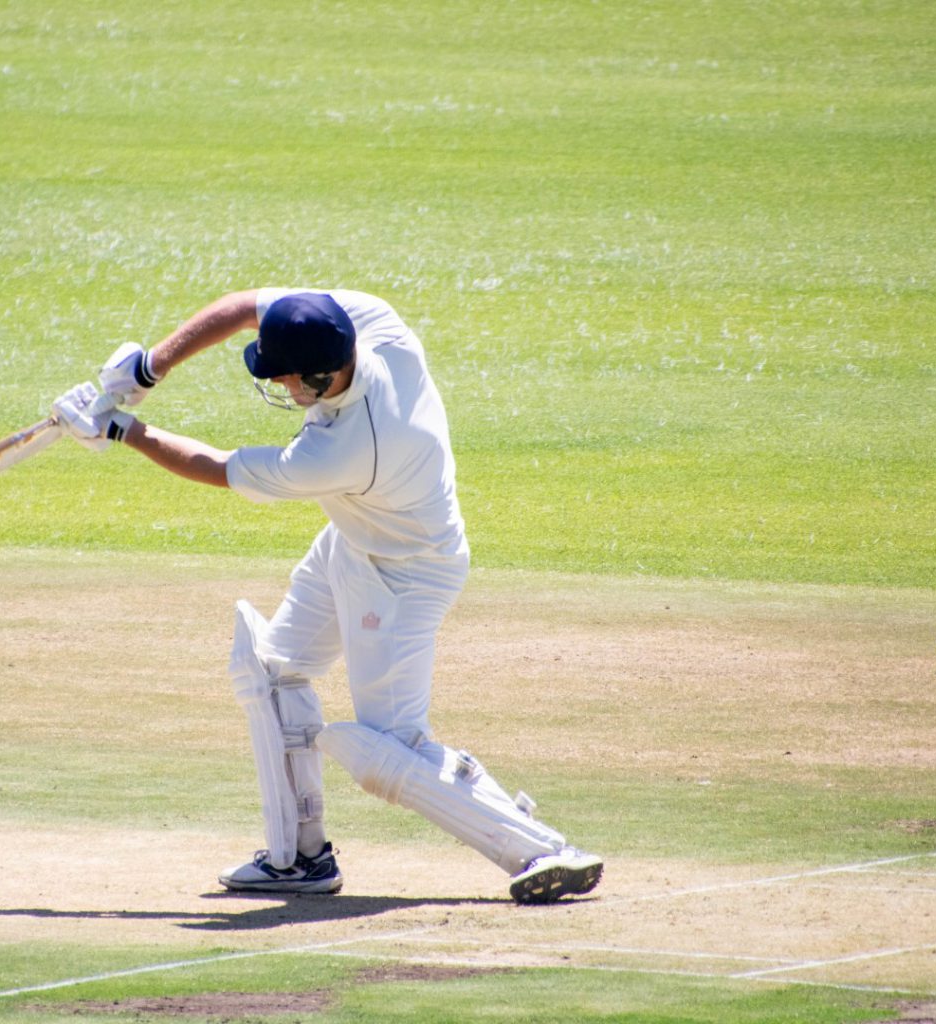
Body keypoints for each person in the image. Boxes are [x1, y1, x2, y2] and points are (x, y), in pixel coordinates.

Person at [51, 288, 603, 904]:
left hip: (407, 574)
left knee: (385, 750)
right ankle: (299, 861)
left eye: (286, 379)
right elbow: (242, 307)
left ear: (319, 374)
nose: (282, 388)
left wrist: (121, 428)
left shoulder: (341, 450)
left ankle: (543, 849)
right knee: (272, 672)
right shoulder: (376, 326)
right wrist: (151, 367)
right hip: (356, 533)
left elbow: (218, 465)